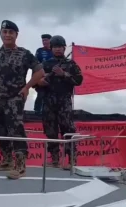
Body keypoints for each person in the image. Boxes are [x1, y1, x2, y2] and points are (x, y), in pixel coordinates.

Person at [0, 20, 45, 179]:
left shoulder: (24, 54)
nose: (7, 35)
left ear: (16, 35)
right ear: (0, 34)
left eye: (10, 32)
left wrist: (27, 87)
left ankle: (20, 166)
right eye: (4, 32)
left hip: (14, 99)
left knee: (16, 131)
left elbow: (39, 73)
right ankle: (6, 160)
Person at [37, 35, 83, 169]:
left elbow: (79, 81)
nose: (58, 49)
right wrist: (40, 82)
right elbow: (36, 81)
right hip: (49, 102)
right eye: (55, 47)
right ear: (51, 48)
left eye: (60, 47)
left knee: (68, 130)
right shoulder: (44, 65)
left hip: (64, 102)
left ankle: (71, 160)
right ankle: (55, 159)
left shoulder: (71, 64)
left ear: (64, 48)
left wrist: (64, 74)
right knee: (50, 131)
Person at [33, 34, 53, 114]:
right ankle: (37, 111)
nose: (44, 42)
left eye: (46, 40)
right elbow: (35, 64)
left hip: (52, 76)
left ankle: (49, 111)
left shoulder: (54, 50)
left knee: (51, 95)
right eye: (43, 40)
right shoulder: (39, 51)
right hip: (41, 76)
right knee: (41, 94)